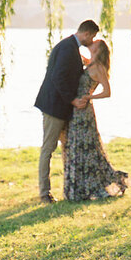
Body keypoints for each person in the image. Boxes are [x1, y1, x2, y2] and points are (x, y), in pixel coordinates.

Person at [34, 20, 99, 203]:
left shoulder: (70, 47)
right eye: (92, 37)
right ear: (86, 33)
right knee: (48, 148)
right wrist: (72, 99)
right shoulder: (68, 49)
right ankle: (44, 193)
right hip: (54, 106)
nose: (92, 40)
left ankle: (69, 188)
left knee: (63, 148)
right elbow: (58, 77)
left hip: (60, 106)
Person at [63, 38, 128, 202]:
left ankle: (106, 181)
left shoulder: (98, 67)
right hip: (77, 109)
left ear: (99, 51)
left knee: (86, 147)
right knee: (79, 147)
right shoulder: (90, 63)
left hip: (84, 111)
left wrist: (89, 96)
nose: (91, 46)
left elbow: (107, 91)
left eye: (94, 45)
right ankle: (81, 188)